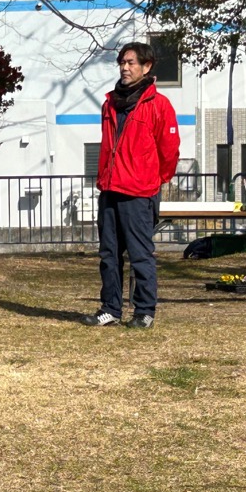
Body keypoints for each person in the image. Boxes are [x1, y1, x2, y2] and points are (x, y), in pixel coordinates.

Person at [81, 42, 181, 329]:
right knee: (109, 254)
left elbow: (169, 149)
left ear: (146, 67)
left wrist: (155, 179)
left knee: (140, 255)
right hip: (110, 188)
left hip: (139, 192)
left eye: (131, 63)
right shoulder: (110, 103)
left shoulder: (159, 105)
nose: (124, 68)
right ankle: (111, 309)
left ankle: (144, 311)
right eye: (122, 63)